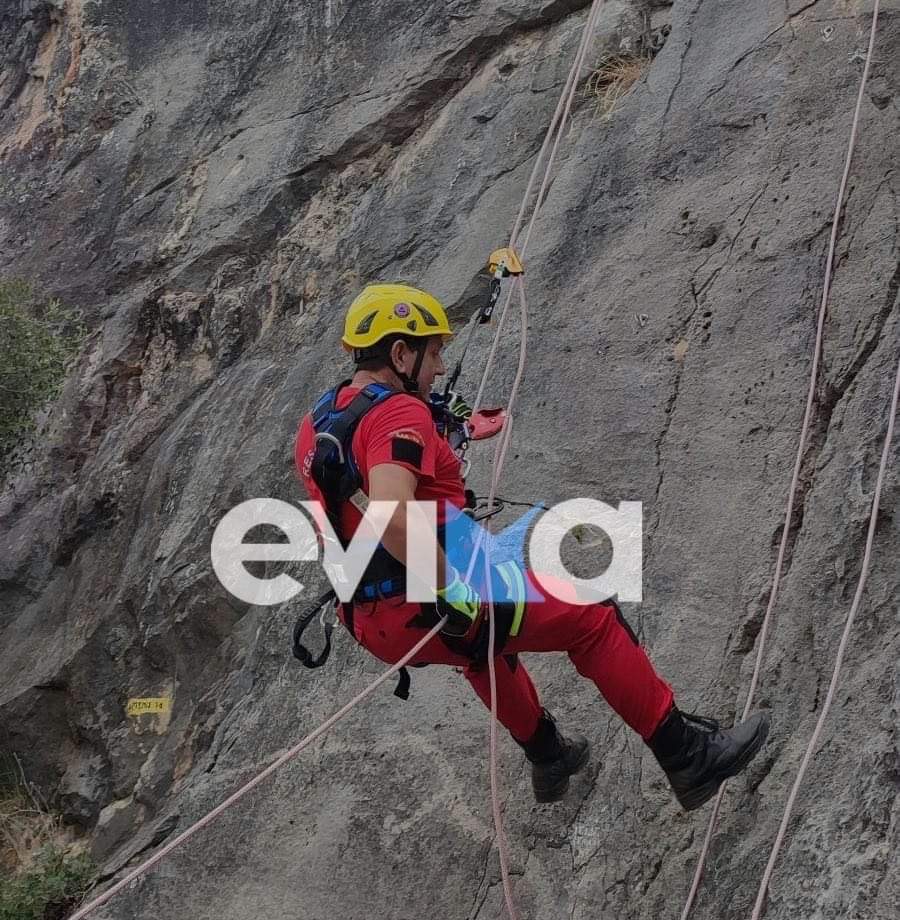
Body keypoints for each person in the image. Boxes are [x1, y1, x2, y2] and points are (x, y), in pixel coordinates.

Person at [294, 283, 770, 809]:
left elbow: (370, 486)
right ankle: (686, 756)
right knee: (590, 618)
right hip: (424, 599)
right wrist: (450, 586)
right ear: (400, 353)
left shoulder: (318, 425)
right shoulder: (398, 416)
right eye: (432, 354)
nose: (437, 366)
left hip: (368, 618)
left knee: (481, 649)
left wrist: (452, 433)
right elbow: (391, 510)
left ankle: (549, 756)